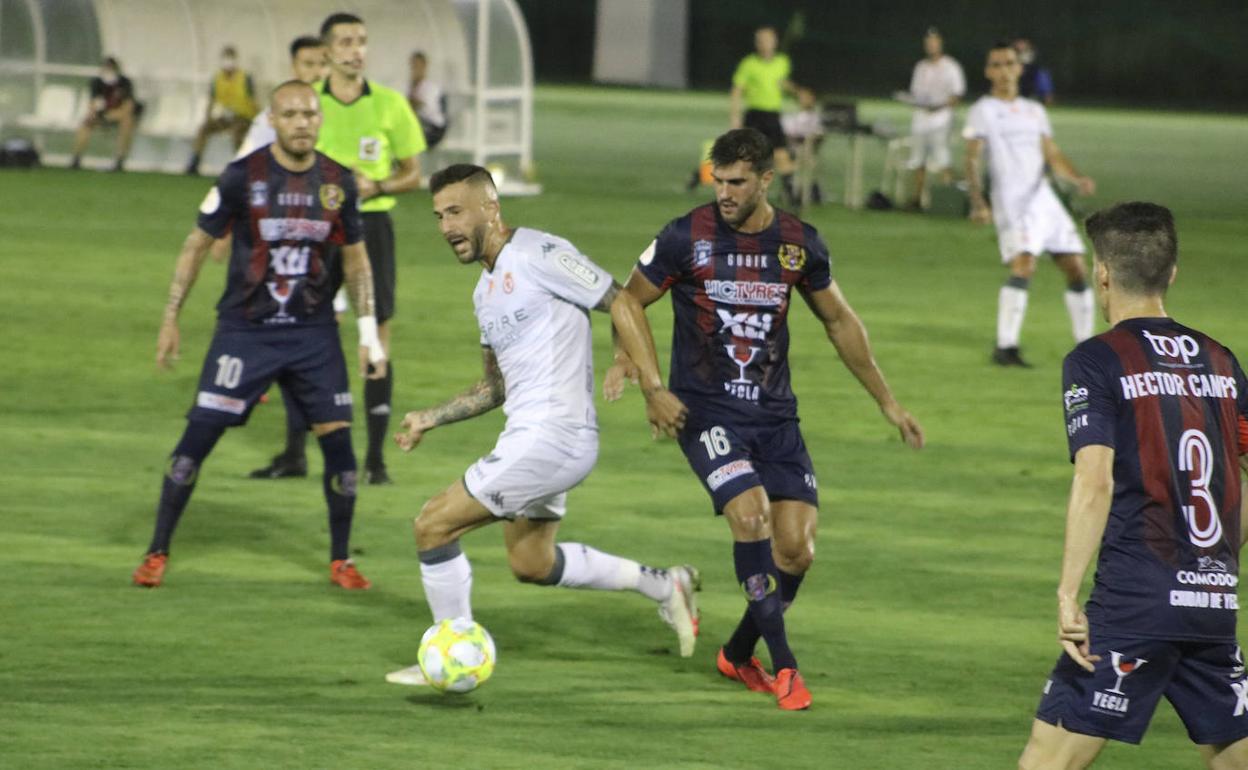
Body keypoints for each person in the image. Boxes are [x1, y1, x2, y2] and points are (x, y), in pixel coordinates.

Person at [611, 128, 925, 710]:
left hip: (775, 417)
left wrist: (888, 401)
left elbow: (840, 322)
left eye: (736, 182)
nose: (724, 193)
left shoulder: (798, 244)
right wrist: (640, 376)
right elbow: (627, 301)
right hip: (704, 411)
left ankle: (735, 652)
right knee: (749, 516)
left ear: (765, 179)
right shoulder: (686, 236)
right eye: (718, 181)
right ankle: (785, 669)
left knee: (797, 551)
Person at [382, 165, 699, 686]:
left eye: (456, 212)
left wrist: (653, 385)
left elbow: (620, 299)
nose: (446, 227)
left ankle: (453, 655)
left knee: (432, 524)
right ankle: (666, 586)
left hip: (554, 436)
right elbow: (494, 388)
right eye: (439, 216)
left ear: (491, 207)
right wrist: (429, 418)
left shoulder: (539, 253)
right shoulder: (484, 294)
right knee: (532, 561)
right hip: (531, 436)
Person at [130, 80, 387, 590]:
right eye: (290, 114)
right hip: (245, 333)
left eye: (309, 114)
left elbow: (357, 261)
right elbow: (196, 244)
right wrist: (170, 315)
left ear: (319, 119)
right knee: (195, 441)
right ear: (272, 119)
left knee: (341, 449)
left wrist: (369, 333)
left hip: (314, 336)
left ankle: (342, 560)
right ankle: (156, 551)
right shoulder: (241, 178)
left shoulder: (338, 182)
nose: (301, 123)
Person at [1018, 202, 1248, 769]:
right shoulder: (1221, 361)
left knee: (1046, 763)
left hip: (1132, 604)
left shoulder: (1097, 360)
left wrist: (1069, 594)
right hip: (1212, 604)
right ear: (1172, 273)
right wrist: (1214, 559)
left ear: (1101, 274)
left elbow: (1093, 480)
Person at [314, 12, 426, 485]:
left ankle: (376, 458)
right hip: (315, 229)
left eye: (361, 41)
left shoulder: (389, 104)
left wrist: (375, 183)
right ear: (327, 52)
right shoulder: (308, 106)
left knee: (376, 336)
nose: (355, 49)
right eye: (345, 41)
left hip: (372, 224)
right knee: (307, 330)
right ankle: (295, 453)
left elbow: (414, 173)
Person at [230, 35, 338, 479]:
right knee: (287, 352)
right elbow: (238, 177)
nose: (314, 71)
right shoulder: (270, 122)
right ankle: (296, 451)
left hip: (326, 253)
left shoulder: (336, 116)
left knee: (307, 356)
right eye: (306, 64)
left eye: (319, 64)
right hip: (273, 256)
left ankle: (310, 453)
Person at [964, 41, 1096, 368]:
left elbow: (1051, 153)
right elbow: (971, 158)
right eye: (996, 64)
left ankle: (1087, 350)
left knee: (1077, 267)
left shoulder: (1034, 110)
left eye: (1009, 63)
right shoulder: (983, 110)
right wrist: (978, 201)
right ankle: (1005, 347)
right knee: (1024, 265)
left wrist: (1076, 179)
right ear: (988, 72)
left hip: (1044, 200)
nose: (1004, 70)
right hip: (1012, 201)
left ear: (1019, 68)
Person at [730, 26, 798, 204]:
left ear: (775, 42)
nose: (764, 44)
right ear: (756, 43)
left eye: (768, 40)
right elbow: (737, 90)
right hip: (754, 116)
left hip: (773, 116)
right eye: (760, 40)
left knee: (781, 155)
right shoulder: (749, 64)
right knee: (748, 158)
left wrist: (797, 92)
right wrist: (735, 117)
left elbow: (782, 83)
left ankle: (791, 193)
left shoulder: (782, 62)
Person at [903, 28, 964, 210]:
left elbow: (956, 94)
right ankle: (918, 199)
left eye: (934, 42)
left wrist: (940, 107)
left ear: (940, 44)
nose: (931, 46)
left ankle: (947, 199)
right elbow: (916, 93)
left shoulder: (951, 67)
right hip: (921, 117)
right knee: (918, 159)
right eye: (928, 43)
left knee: (942, 158)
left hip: (941, 117)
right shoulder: (921, 67)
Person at [186, 46, 260, 175]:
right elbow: (211, 99)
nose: (228, 62)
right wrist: (208, 117)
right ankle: (194, 161)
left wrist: (257, 121)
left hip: (243, 117)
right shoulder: (217, 78)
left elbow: (254, 101)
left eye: (230, 58)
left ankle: (241, 165)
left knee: (237, 133)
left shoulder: (244, 77)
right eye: (226, 58)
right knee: (203, 129)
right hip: (225, 117)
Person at [70, 57, 141, 172]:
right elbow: (93, 104)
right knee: (86, 123)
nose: (108, 70)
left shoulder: (124, 83)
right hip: (102, 115)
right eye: (106, 68)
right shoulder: (96, 82)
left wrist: (110, 115)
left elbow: (128, 107)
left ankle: (120, 159)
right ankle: (76, 158)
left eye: (111, 68)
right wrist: (95, 115)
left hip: (118, 116)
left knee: (128, 122)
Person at [407, 51, 447, 150]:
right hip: (422, 126)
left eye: (418, 65)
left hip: (434, 129)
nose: (415, 69)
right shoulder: (411, 86)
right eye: (413, 65)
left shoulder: (430, 88)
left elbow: (417, 104)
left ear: (424, 66)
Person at [1015, 38, 1055, 105]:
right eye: (1019, 43)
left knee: (1043, 75)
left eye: (1022, 43)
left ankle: (1048, 99)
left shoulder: (1033, 53)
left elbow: (1035, 66)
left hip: (1031, 75)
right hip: (1016, 75)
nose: (1020, 45)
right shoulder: (1010, 53)